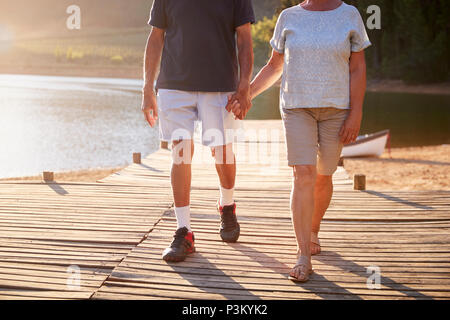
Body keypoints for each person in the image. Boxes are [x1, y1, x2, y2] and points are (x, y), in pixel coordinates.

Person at [227, 0, 371, 282]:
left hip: (336, 108)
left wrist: (356, 113)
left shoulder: (349, 15)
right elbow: (274, 65)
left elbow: (357, 68)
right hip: (296, 107)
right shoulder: (288, 17)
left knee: (323, 175)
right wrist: (247, 94)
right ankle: (303, 253)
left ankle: (314, 228)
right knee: (303, 174)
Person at [141, 0, 255, 262]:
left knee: (222, 150)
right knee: (180, 152)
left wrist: (244, 86)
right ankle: (184, 230)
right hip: (174, 84)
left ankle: (227, 204)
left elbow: (245, 40)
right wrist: (147, 87)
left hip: (220, 83)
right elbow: (156, 36)